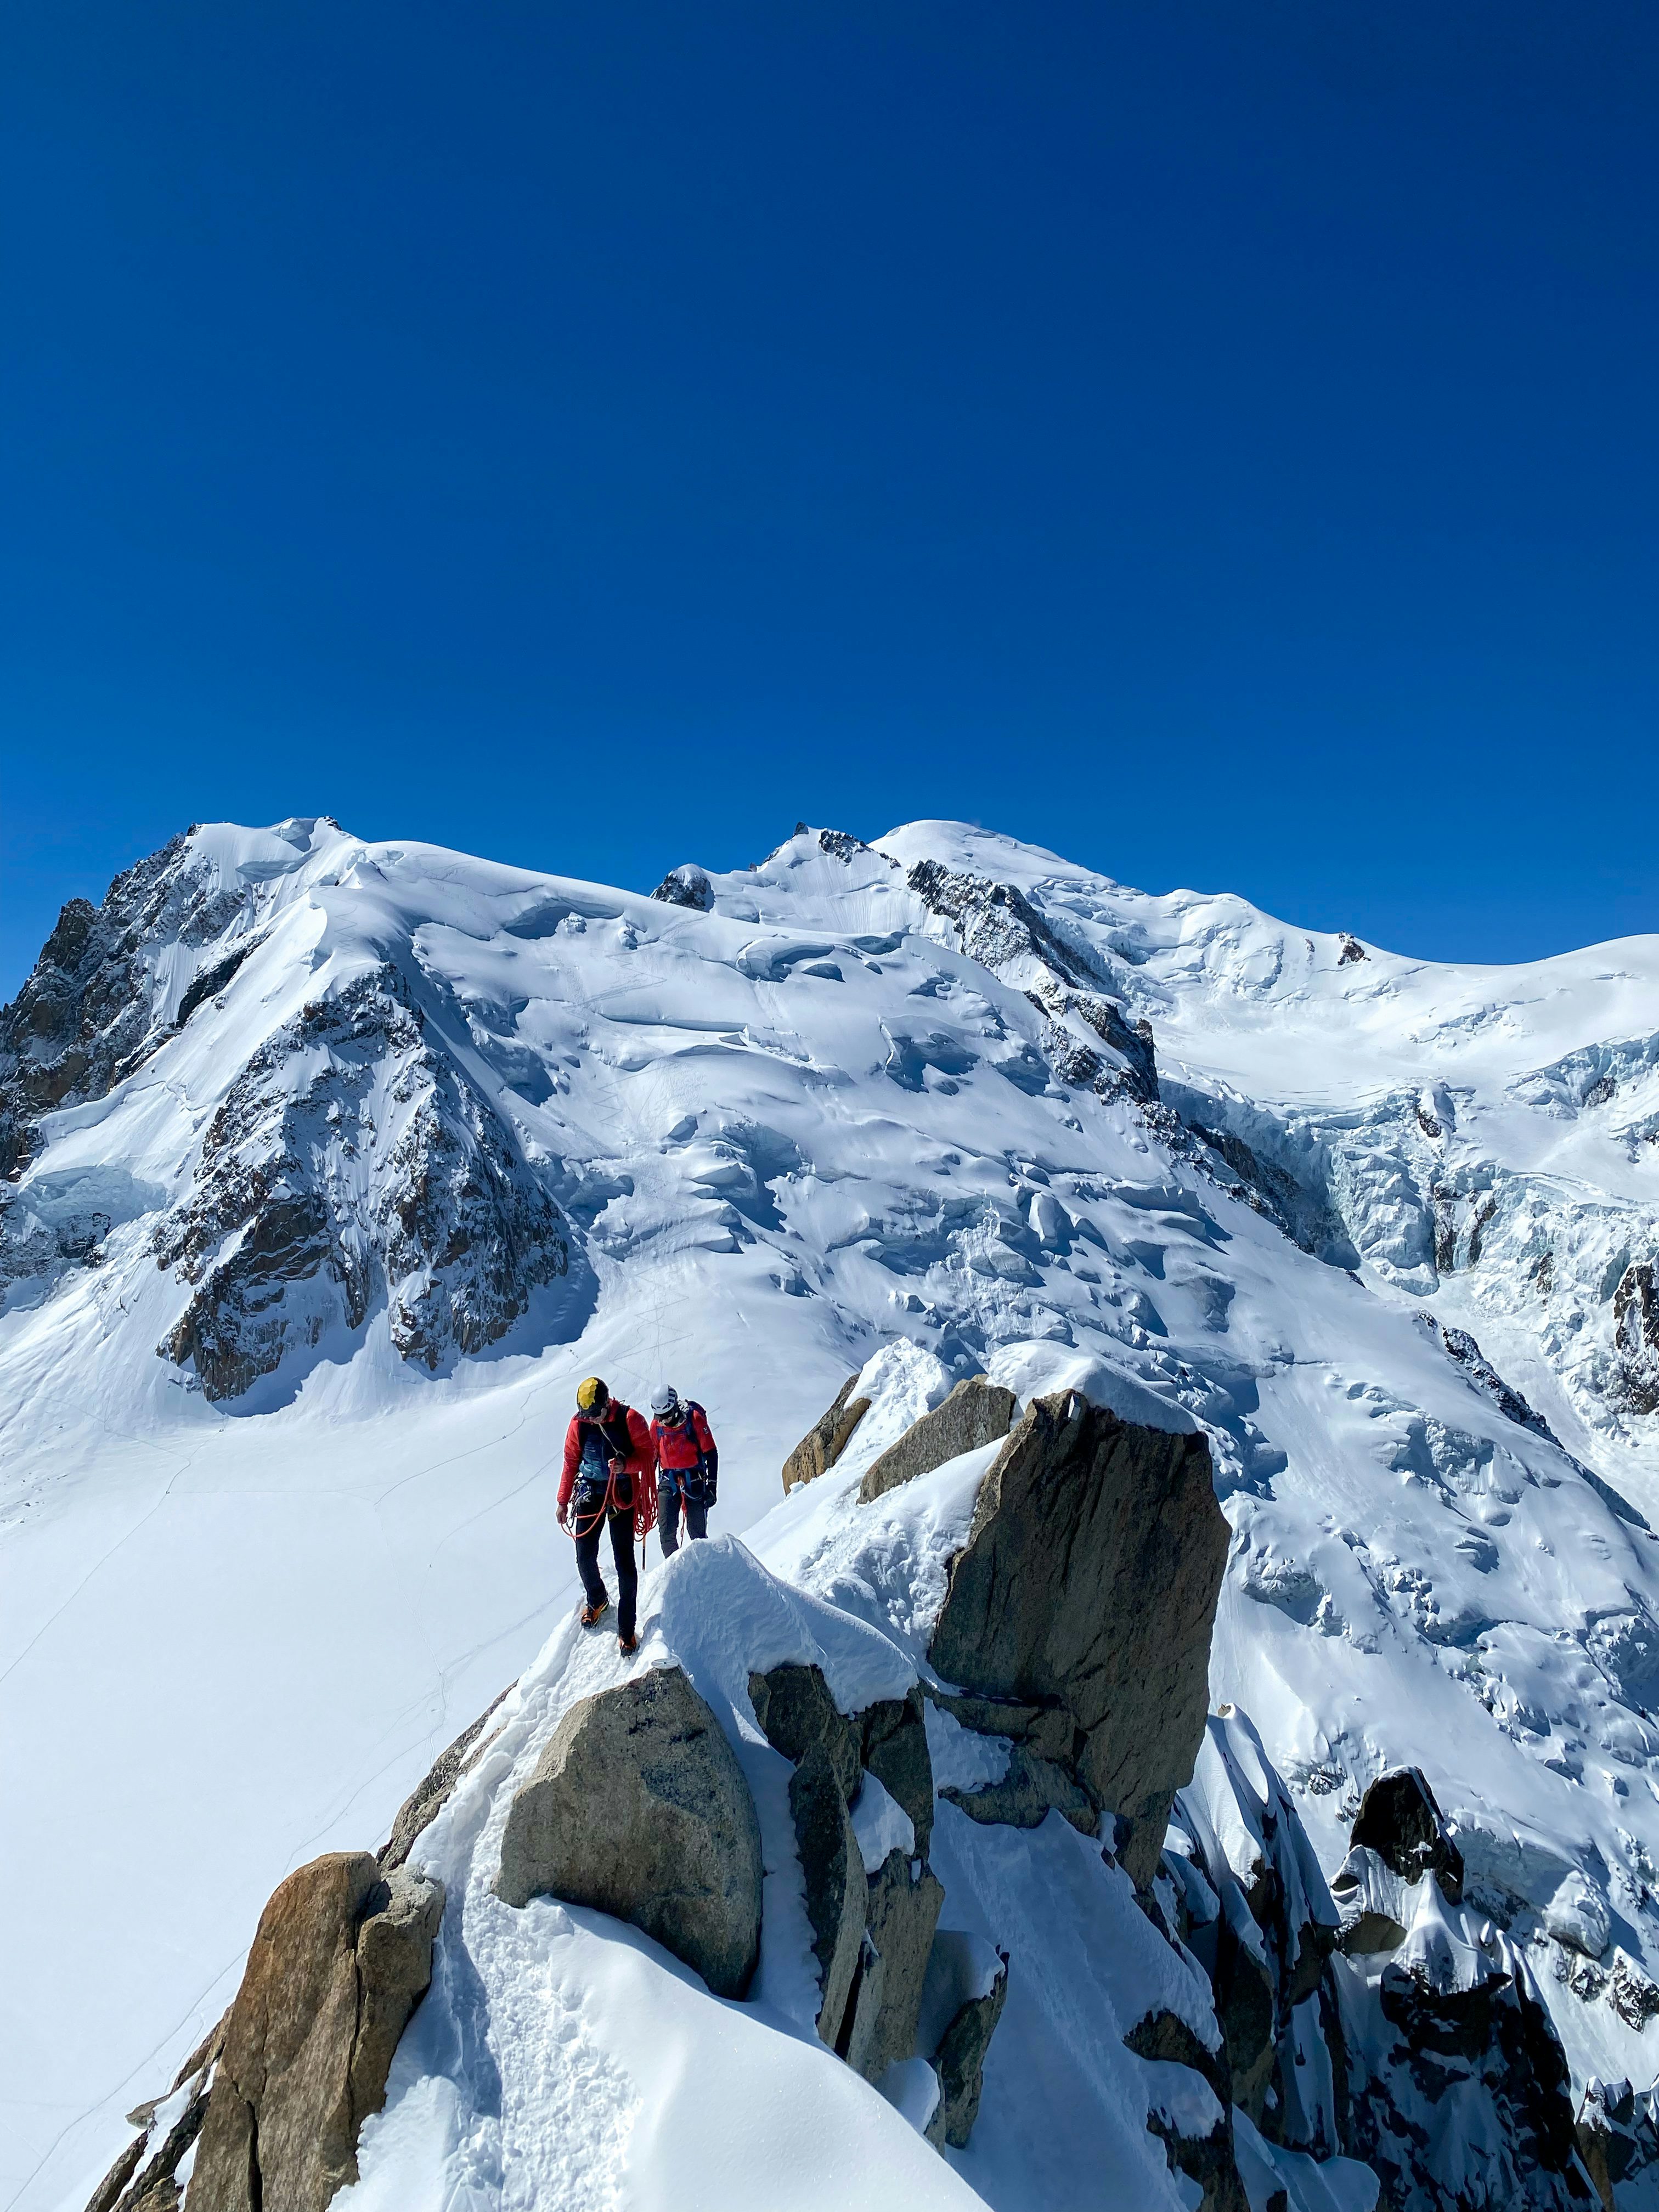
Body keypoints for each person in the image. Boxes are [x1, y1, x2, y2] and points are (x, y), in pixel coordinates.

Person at [559, 1376, 652, 1654]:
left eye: (596, 1414)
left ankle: (626, 1629)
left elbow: (649, 1456)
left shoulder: (630, 1419)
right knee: (584, 1554)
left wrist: (626, 1465)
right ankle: (597, 1598)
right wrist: (563, 1501)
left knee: (624, 1562)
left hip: (621, 1495)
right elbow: (571, 1461)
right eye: (587, 1415)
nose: (592, 1420)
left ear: (607, 1403)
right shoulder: (579, 1425)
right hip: (591, 1491)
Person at [650, 1382, 718, 1556]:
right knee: (666, 1533)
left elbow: (711, 1453)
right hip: (669, 1480)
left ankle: (704, 1570)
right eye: (659, 1416)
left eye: (666, 1415)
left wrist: (712, 1487)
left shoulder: (694, 1419)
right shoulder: (656, 1426)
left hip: (694, 1479)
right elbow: (653, 1456)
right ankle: (676, 1572)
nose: (663, 1420)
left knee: (697, 1535)